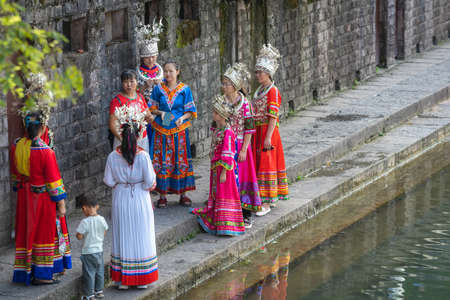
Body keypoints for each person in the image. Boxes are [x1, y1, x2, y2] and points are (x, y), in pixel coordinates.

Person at [10, 111, 71, 285]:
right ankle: (42, 274)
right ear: (43, 127)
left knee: (26, 230)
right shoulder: (46, 152)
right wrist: (61, 203)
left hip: (24, 196)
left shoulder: (17, 146)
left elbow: (15, 176)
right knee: (43, 232)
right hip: (42, 198)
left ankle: (25, 271)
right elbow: (53, 181)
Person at [104, 107, 158, 289]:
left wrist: (122, 183)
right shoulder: (143, 156)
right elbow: (150, 182)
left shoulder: (112, 156)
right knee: (142, 235)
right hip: (140, 198)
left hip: (121, 197)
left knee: (122, 235)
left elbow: (109, 181)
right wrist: (141, 185)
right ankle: (142, 279)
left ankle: (122, 281)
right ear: (139, 133)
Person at [190, 95, 245, 236]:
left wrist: (224, 172)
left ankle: (227, 224)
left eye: (215, 113)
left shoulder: (227, 132)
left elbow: (228, 152)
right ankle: (219, 222)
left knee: (225, 192)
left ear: (221, 116)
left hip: (224, 170)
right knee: (218, 192)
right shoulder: (218, 130)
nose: (213, 115)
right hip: (216, 167)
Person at [148, 60, 197, 208]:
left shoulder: (184, 90)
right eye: (166, 71)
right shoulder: (158, 89)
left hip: (179, 130)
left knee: (180, 159)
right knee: (163, 159)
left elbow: (191, 111)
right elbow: (151, 107)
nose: (168, 74)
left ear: (178, 72)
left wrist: (182, 118)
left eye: (171, 71)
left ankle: (183, 194)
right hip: (162, 129)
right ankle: (162, 195)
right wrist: (161, 112)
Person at [222, 62, 262, 229]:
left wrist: (245, 148)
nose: (224, 86)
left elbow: (250, 128)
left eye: (227, 84)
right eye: (223, 83)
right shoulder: (221, 102)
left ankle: (245, 212)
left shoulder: (245, 104)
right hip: (225, 145)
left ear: (235, 86)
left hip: (239, 145)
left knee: (243, 177)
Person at [251, 44, 289, 216]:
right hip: (258, 131)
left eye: (260, 72)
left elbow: (273, 116)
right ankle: (265, 198)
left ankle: (266, 202)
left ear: (268, 73)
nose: (257, 75)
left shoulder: (273, 91)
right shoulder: (260, 90)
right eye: (257, 72)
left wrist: (268, 137)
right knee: (260, 163)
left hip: (268, 132)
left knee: (267, 164)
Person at [109, 70, 151, 152]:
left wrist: (150, 118)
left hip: (141, 138)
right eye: (125, 82)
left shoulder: (140, 97)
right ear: (122, 83)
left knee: (141, 161)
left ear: (136, 82)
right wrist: (123, 141)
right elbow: (112, 125)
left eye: (132, 81)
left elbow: (148, 114)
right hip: (124, 139)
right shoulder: (117, 101)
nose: (129, 85)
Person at [76, 196, 108, 300]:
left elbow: (79, 236)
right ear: (97, 206)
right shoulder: (102, 219)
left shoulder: (85, 222)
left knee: (89, 273)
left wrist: (82, 235)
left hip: (88, 252)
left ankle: (89, 295)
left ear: (84, 208)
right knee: (99, 271)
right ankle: (99, 291)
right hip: (99, 250)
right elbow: (105, 231)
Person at [135, 19, 164, 103]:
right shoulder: (137, 73)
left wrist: (160, 85)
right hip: (144, 106)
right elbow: (133, 95)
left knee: (170, 115)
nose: (150, 60)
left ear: (156, 56)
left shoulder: (161, 71)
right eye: (147, 57)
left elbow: (169, 91)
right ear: (142, 58)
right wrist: (145, 86)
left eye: (153, 57)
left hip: (161, 105)